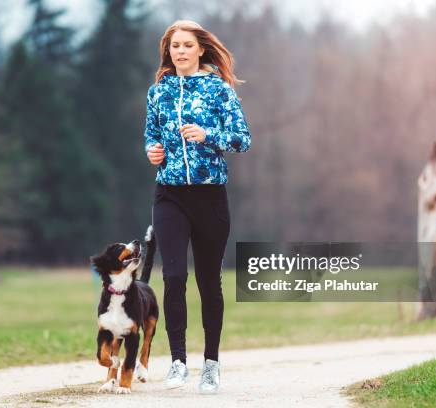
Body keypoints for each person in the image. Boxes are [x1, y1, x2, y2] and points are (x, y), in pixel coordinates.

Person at [143, 19, 252, 394]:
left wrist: (209, 136)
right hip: (169, 195)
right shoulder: (158, 92)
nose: (181, 51)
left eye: (188, 45)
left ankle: (211, 364)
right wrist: (152, 152)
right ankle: (177, 363)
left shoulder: (218, 90)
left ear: (201, 49)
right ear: (168, 51)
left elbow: (242, 140)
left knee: (209, 283)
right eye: (175, 46)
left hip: (210, 195)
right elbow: (151, 137)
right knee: (173, 277)